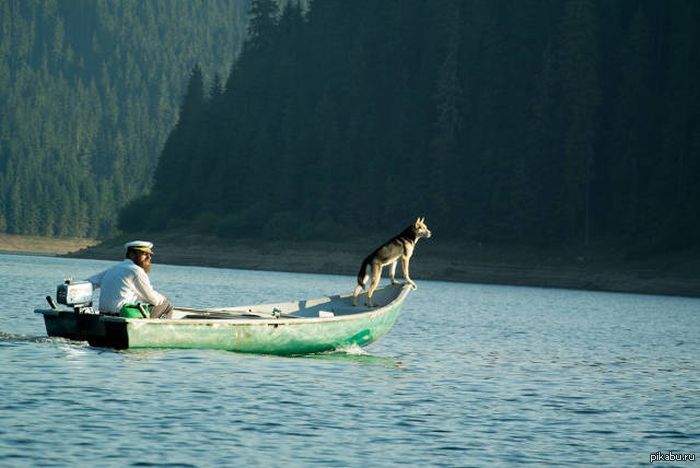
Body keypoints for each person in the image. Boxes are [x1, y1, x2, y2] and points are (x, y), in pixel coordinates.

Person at [87, 241, 174, 319]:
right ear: (132, 254)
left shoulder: (113, 268)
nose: (149, 257)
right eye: (144, 254)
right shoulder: (137, 271)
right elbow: (152, 299)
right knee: (166, 304)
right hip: (123, 315)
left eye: (150, 254)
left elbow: (89, 283)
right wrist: (162, 298)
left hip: (104, 315)